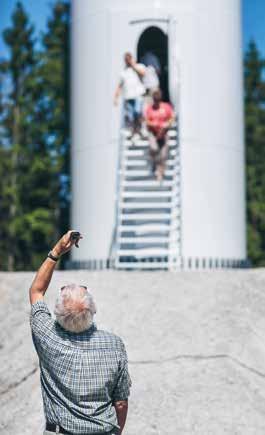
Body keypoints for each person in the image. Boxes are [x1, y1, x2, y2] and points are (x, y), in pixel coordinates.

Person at [29, 230, 131, 435]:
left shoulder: (47, 336)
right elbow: (120, 402)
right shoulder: (114, 345)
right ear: (93, 310)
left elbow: (36, 291)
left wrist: (57, 251)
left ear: (57, 312)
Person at [144, 89, 175, 181]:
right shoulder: (150, 108)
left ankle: (160, 172)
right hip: (153, 132)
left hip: (163, 133)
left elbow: (172, 117)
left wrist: (167, 124)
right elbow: (146, 120)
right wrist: (153, 124)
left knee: (163, 155)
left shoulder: (166, 107)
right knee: (154, 148)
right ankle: (154, 164)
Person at [114, 52, 145, 136]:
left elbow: (143, 74)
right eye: (126, 60)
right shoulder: (123, 72)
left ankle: (139, 129)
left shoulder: (139, 66)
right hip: (128, 96)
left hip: (138, 94)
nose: (127, 61)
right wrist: (116, 98)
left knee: (137, 112)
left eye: (129, 59)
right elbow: (119, 86)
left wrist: (133, 66)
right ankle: (133, 131)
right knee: (130, 116)